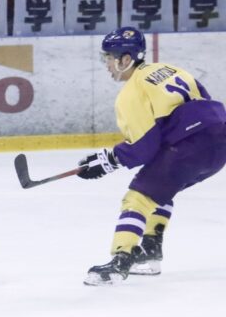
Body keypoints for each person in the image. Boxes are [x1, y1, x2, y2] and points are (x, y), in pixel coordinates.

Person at [77, 27, 226, 286]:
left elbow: (143, 148)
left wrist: (107, 161)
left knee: (137, 198)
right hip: (219, 142)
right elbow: (202, 102)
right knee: (162, 189)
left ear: (126, 59)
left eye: (109, 58)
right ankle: (150, 252)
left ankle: (120, 261)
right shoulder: (169, 69)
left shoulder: (131, 92)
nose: (107, 65)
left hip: (189, 147)